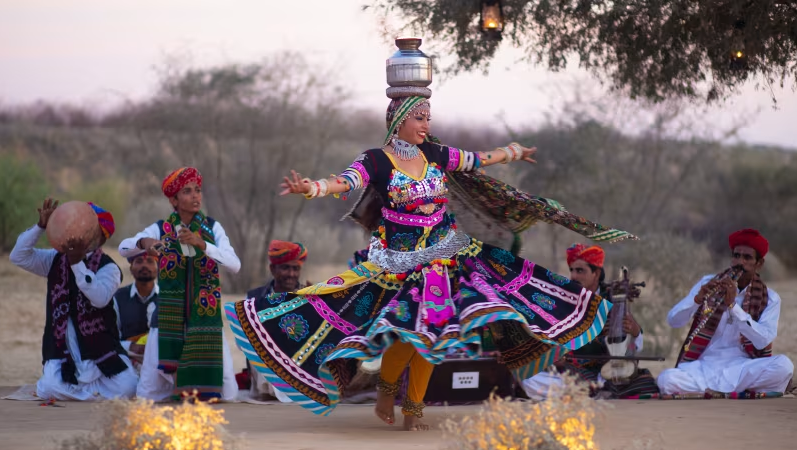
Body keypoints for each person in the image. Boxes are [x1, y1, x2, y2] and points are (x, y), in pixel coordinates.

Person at [225, 39, 637, 430]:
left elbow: (477, 160)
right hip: (399, 263)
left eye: (428, 118)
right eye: (419, 118)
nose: (426, 125)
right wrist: (312, 187)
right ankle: (388, 393)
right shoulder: (377, 160)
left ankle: (412, 408)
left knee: (433, 337)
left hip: (446, 256)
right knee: (409, 334)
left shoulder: (436, 156)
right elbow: (345, 182)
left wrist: (511, 152)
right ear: (399, 121)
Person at [119, 167, 241, 401]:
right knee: (148, 395)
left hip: (205, 318)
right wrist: (145, 242)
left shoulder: (212, 229)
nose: (196, 196)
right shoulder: (160, 229)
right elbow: (125, 247)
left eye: (198, 190)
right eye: (187, 192)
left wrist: (202, 244)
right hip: (167, 320)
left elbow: (235, 265)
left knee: (228, 393)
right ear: (174, 200)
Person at [10, 199, 137, 401]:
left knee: (129, 387)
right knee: (48, 388)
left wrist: (77, 264)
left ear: (99, 238)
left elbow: (99, 299)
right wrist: (40, 227)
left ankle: (80, 394)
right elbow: (19, 256)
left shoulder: (109, 268)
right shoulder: (54, 259)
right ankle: (92, 394)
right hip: (62, 350)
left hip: (101, 350)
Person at [657, 229, 793, 395]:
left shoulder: (770, 298)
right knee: (666, 380)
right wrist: (697, 300)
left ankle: (711, 392)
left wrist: (733, 307)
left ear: (759, 264)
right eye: (736, 256)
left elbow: (763, 340)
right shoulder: (709, 282)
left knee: (784, 366)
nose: (739, 262)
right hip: (704, 367)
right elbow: (673, 320)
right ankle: (737, 392)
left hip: (742, 368)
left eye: (747, 258)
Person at [521, 244, 659, 399]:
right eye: (572, 270)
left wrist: (635, 330)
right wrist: (554, 354)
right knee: (528, 378)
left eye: (580, 271)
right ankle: (590, 391)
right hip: (572, 370)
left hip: (605, 372)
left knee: (646, 382)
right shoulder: (563, 298)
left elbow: (632, 347)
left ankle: (588, 391)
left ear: (596, 273)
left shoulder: (613, 299)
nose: (573, 276)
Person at [242, 240, 310, 403]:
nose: (291, 274)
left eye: (296, 269)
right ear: (273, 269)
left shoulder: (308, 295)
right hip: (267, 358)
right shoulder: (254, 298)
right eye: (286, 268)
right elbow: (244, 339)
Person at [112, 251, 159, 362]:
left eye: (150, 261)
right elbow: (109, 338)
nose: (144, 265)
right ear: (131, 269)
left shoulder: (167, 298)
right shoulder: (117, 297)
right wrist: (130, 346)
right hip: (125, 360)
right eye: (139, 261)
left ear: (158, 269)